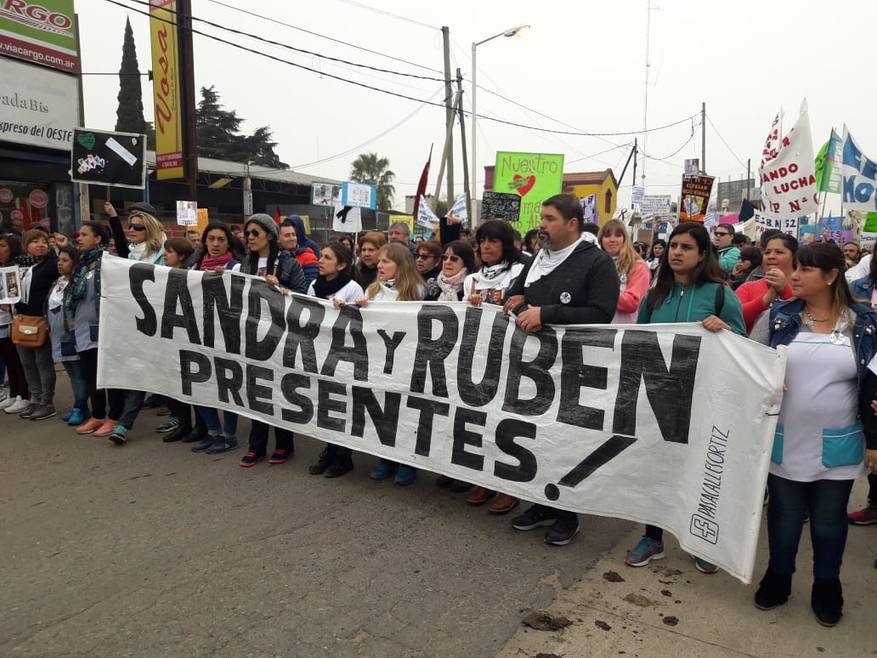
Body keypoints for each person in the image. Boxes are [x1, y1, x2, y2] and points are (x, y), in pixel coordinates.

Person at [749, 242, 877, 626]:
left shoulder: (865, 322)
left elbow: (874, 385)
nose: (795, 275)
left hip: (840, 442)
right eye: (796, 268)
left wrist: (875, 439)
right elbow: (750, 361)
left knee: (828, 520)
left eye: (805, 269)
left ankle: (827, 584)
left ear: (832, 275)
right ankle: (779, 576)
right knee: (785, 516)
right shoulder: (778, 316)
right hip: (786, 438)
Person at [624, 222, 745, 572]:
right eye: (674, 245)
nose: (676, 252)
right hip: (659, 398)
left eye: (686, 247)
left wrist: (724, 329)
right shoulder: (655, 295)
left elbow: (741, 340)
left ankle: (700, 539)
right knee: (656, 468)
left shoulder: (720, 295)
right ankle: (653, 536)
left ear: (703, 253)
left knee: (699, 468)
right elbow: (638, 340)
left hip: (704, 398)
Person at [505, 193, 620, 544]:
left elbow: (602, 313)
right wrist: (518, 300)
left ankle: (568, 512)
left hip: (574, 366)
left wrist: (546, 313)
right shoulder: (539, 257)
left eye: (550, 218)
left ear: (572, 224)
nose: (542, 224)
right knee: (536, 433)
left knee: (566, 438)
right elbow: (518, 291)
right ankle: (542, 502)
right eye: (542, 217)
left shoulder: (597, 263)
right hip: (536, 366)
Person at [238, 214, 307, 466]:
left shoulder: (289, 262)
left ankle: (284, 444)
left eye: (255, 233)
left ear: (269, 234)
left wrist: (281, 288)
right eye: (247, 234)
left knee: (280, 389)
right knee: (257, 391)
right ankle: (256, 446)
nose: (250, 238)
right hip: (253, 333)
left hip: (281, 336)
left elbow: (303, 296)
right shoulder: (247, 261)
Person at [355, 242, 425, 486]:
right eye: (380, 261)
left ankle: (408, 462)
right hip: (379, 362)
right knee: (383, 411)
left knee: (405, 412)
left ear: (401, 264)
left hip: (406, 362)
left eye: (386, 261)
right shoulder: (373, 290)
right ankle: (386, 457)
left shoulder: (416, 290)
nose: (380, 265)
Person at [307, 241, 364, 478]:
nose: (320, 261)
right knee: (326, 404)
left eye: (327, 257)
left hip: (344, 355)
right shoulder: (314, 284)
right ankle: (329, 451)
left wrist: (345, 310)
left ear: (341, 265)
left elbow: (361, 321)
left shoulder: (353, 289)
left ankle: (343, 457)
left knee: (343, 405)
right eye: (321, 256)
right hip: (321, 352)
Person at [66, 222, 127, 438]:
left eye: (84, 234)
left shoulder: (109, 262)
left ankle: (115, 416)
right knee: (91, 375)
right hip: (83, 329)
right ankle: (98, 415)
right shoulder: (81, 264)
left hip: (105, 328)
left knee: (109, 375)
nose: (79, 238)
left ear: (98, 239)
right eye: (78, 234)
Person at [184, 223, 242, 448]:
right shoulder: (194, 266)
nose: (216, 244)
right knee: (197, 384)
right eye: (212, 239)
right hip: (198, 332)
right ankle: (213, 430)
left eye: (221, 240)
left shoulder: (235, 268)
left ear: (228, 243)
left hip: (226, 335)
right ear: (205, 242)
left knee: (226, 386)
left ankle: (229, 435)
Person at [14, 229, 59, 420]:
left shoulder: (50, 264)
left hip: (42, 321)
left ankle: (46, 403)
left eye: (44, 242)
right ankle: (34, 399)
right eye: (35, 241)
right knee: (27, 363)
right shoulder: (17, 266)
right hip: (21, 320)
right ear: (26, 245)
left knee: (43, 363)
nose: (41, 245)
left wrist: (59, 246)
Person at [47, 245, 88, 426]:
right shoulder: (57, 282)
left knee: (79, 373)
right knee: (72, 373)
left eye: (65, 260)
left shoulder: (78, 283)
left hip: (73, 335)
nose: (60, 264)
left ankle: (80, 406)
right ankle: (80, 406)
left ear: (75, 262)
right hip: (58, 336)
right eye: (59, 260)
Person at [735, 234, 797, 333]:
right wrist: (766, 299)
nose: (771, 256)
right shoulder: (747, 287)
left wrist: (785, 290)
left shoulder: (805, 287)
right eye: (767, 252)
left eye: (779, 252)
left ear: (794, 256)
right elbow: (735, 318)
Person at [598, 219, 650, 324]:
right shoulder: (594, 265)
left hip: (626, 332)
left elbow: (632, 303)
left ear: (625, 239)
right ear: (601, 240)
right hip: (598, 332)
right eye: (607, 236)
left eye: (618, 235)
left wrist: (598, 292)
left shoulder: (638, 266)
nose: (612, 240)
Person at [0, 234, 29, 413]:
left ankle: (23, 395)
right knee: (7, 359)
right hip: (2, 321)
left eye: (3, 246)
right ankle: (13, 394)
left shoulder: (15, 269)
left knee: (16, 360)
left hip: (12, 321)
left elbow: (13, 296)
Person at [282, 216, 320, 283]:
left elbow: (312, 277)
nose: (291, 238)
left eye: (293, 234)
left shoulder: (311, 246)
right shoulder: (280, 252)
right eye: (286, 235)